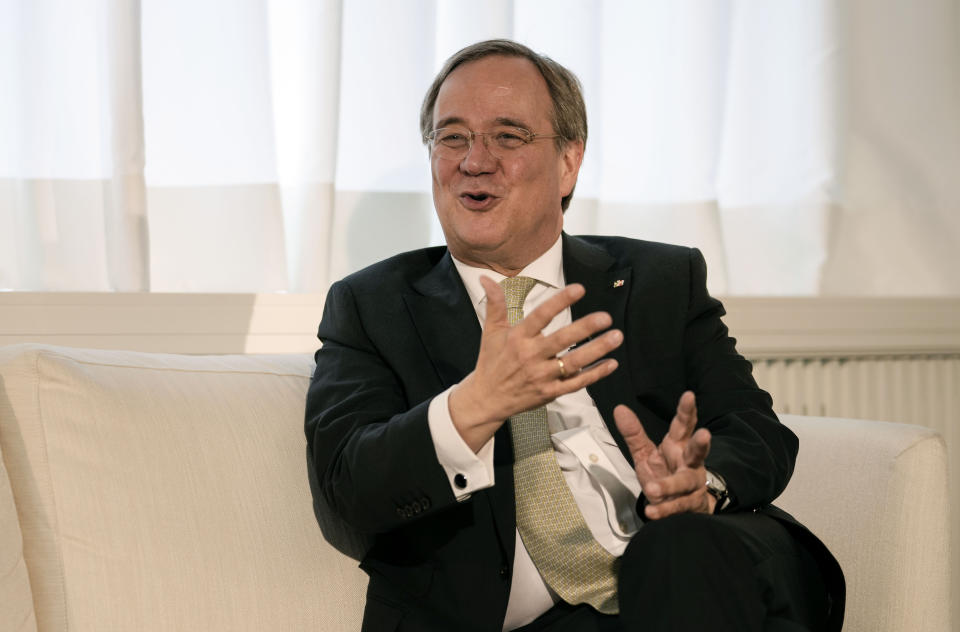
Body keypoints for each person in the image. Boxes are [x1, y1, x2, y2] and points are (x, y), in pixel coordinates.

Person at [305, 39, 844, 632]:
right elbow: (348, 486)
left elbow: (757, 430)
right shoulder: (370, 306)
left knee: (676, 553)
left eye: (507, 136)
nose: (474, 160)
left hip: (705, 564)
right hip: (537, 621)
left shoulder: (660, 280)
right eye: (452, 137)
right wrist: (473, 407)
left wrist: (703, 487)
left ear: (569, 162)